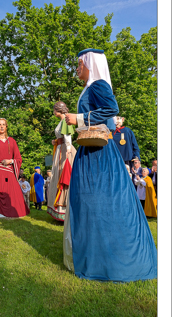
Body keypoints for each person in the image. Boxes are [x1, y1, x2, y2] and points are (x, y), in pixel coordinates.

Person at [63, 48, 157, 282]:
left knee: (101, 202)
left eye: (79, 64)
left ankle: (108, 257)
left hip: (100, 152)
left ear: (89, 64)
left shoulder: (99, 84)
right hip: (89, 148)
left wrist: (80, 118)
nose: (77, 69)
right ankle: (93, 253)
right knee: (90, 201)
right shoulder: (89, 87)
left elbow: (111, 109)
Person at [0, 118, 30, 218]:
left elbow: (18, 158)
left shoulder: (12, 141)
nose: (2, 126)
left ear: (6, 126)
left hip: (9, 172)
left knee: (13, 192)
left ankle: (15, 212)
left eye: (3, 124)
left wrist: (10, 161)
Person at [47, 102, 76, 222]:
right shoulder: (62, 121)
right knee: (58, 175)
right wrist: (56, 142)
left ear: (57, 110)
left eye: (54, 109)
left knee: (64, 175)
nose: (53, 112)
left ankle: (65, 210)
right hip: (61, 148)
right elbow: (62, 136)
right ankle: (59, 210)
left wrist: (68, 148)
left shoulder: (65, 120)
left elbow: (68, 135)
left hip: (65, 150)